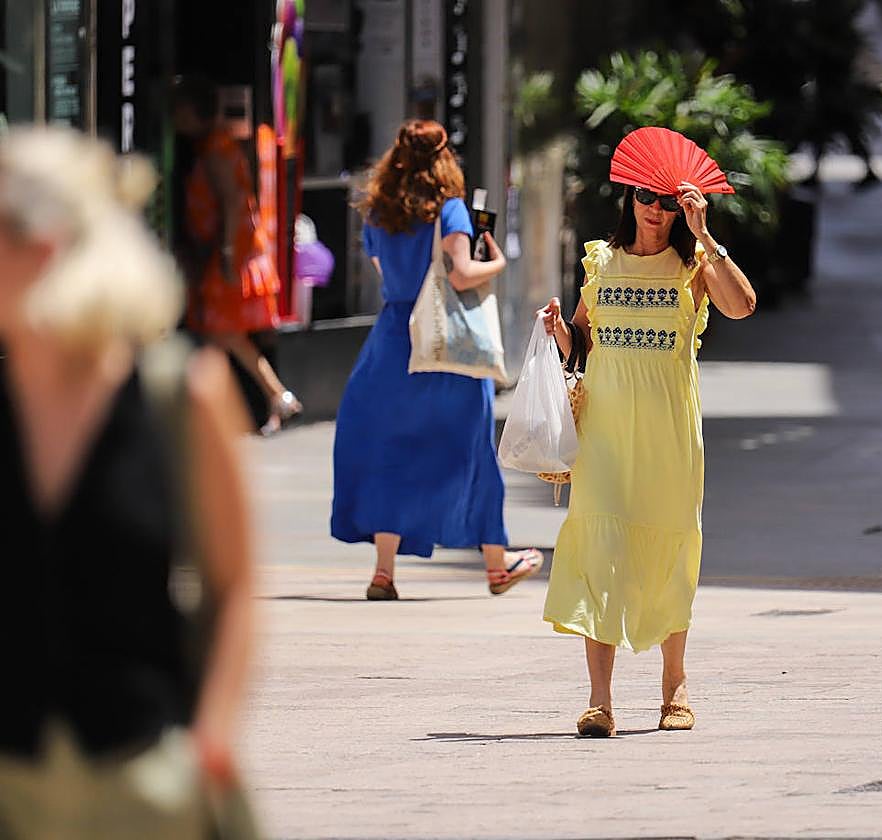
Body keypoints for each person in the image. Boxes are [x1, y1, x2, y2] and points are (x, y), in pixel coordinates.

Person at [0, 128, 256, 836]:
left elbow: (233, 587)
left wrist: (211, 746)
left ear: (44, 246)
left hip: (140, 782)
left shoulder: (180, 395)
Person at [540, 177, 756, 737]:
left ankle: (674, 685)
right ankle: (599, 701)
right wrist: (560, 333)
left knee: (669, 544)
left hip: (669, 435)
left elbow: (743, 306)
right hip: (606, 434)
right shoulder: (601, 262)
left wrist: (704, 233)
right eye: (646, 199)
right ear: (630, 202)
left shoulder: (695, 266)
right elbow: (584, 342)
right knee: (601, 543)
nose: (655, 211)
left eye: (667, 203)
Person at [331, 119, 544, 599]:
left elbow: (389, 276)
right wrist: (498, 263)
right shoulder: (450, 211)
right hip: (446, 349)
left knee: (392, 453)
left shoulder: (378, 212)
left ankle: (383, 573)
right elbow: (463, 274)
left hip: (392, 342)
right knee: (471, 450)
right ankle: (496, 563)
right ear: (445, 158)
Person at [173, 74, 302, 435]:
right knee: (221, 333)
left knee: (221, 330)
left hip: (230, 251)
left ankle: (274, 395)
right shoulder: (218, 146)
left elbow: (233, 201)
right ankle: (272, 398)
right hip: (228, 249)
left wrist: (228, 253)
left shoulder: (215, 149)